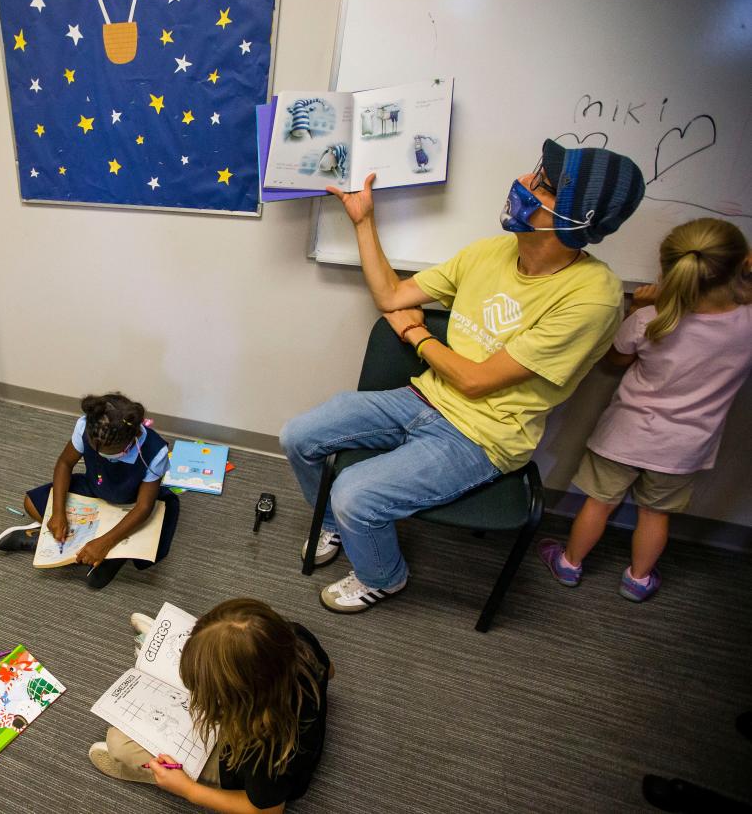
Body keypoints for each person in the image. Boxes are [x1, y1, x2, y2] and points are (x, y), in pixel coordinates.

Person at [281, 138, 645, 613]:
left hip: (483, 436)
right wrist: (363, 222)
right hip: (424, 397)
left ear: (577, 219)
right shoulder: (490, 252)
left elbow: (476, 381)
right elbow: (393, 297)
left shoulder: (592, 298)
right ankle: (332, 522)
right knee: (299, 435)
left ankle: (384, 577)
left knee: (357, 493)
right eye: (535, 172)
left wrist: (417, 336)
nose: (523, 183)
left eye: (543, 185)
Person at [539, 218, 751, 601]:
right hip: (684, 448)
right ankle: (638, 579)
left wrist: (638, 306)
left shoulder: (650, 319)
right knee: (656, 515)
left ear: (668, 270)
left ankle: (569, 564)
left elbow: (614, 362)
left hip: (624, 436)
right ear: (740, 266)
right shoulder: (747, 324)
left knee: (598, 504)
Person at [88, 599, 332, 813]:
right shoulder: (296, 637)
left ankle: (148, 772)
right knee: (213, 652)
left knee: (119, 744)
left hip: (242, 758)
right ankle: (194, 654)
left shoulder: (262, 747)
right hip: (257, 706)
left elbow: (268, 811)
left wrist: (188, 790)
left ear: (237, 699)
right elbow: (330, 672)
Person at [0, 392, 178, 589]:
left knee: (152, 541)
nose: (95, 451)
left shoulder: (154, 451)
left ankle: (99, 549)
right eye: (92, 446)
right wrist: (58, 513)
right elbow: (65, 463)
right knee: (31, 503)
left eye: (106, 452)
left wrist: (106, 541)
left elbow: (143, 507)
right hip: (95, 488)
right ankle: (99, 553)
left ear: (130, 441)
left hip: (133, 503)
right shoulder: (86, 426)